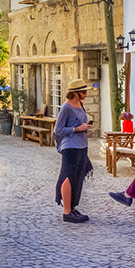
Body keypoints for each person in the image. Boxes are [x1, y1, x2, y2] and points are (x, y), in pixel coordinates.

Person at [53, 79, 93, 224]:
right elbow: (58, 130)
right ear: (75, 93)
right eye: (83, 91)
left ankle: (73, 207)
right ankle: (67, 212)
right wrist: (77, 129)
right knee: (68, 176)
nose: (86, 94)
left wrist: (85, 127)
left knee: (78, 176)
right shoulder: (66, 107)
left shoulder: (80, 104)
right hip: (70, 147)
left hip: (82, 145)